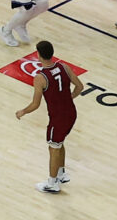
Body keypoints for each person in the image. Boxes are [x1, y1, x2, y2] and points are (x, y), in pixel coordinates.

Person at [18, 39, 82, 193]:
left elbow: (36, 104)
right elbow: (80, 87)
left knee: (53, 148)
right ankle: (61, 173)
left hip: (58, 117)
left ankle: (52, 183)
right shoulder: (64, 67)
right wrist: (69, 98)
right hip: (71, 113)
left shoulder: (41, 77)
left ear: (38, 55)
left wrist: (23, 111)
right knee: (59, 143)